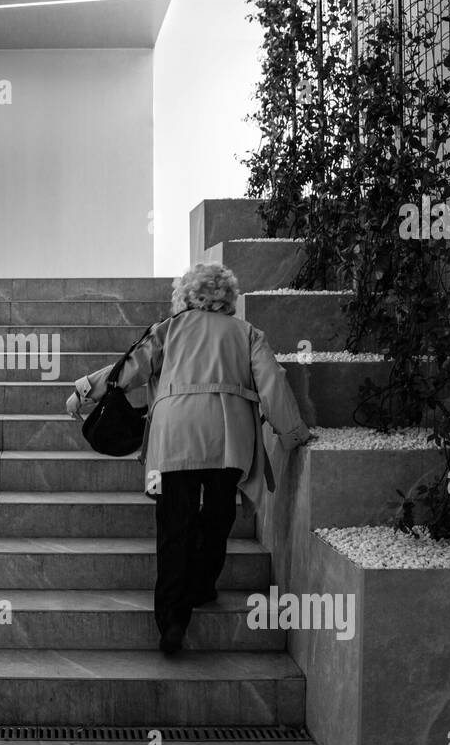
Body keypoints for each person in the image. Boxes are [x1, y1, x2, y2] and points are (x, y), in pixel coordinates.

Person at [66, 263, 313, 654]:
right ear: (227, 298)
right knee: (217, 517)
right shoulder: (247, 333)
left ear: (184, 295)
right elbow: (273, 383)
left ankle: (172, 620)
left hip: (172, 443)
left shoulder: (169, 328)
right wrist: (293, 433)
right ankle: (201, 586)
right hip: (228, 441)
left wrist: (83, 391)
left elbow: (128, 368)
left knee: (172, 525)